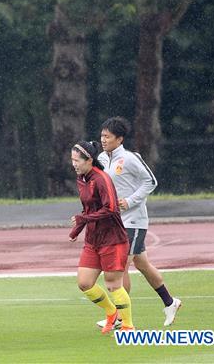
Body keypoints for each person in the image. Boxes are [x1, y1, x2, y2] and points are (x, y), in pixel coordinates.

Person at [98, 116, 181, 328]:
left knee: (120, 266)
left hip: (133, 221)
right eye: (102, 136)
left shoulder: (130, 158)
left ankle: (118, 316)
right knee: (142, 264)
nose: (104, 140)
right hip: (115, 222)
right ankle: (170, 302)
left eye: (108, 136)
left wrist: (130, 201)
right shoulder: (101, 158)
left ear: (120, 139)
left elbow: (150, 181)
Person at [69, 139, 134, 333]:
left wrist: (83, 219)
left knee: (114, 284)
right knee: (84, 283)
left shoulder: (101, 179)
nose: (74, 164)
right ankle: (111, 312)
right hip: (93, 239)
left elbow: (112, 209)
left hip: (112, 239)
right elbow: (87, 209)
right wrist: (77, 229)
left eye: (77, 160)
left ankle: (128, 325)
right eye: (72, 160)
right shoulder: (81, 179)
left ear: (89, 160)